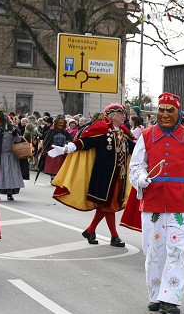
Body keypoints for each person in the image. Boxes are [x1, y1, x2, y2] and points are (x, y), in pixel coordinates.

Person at [125, 92, 184, 314]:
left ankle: (171, 298)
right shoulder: (147, 135)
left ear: (179, 113)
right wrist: (140, 178)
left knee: (176, 250)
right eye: (161, 110)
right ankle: (155, 294)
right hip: (153, 202)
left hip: (181, 203)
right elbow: (136, 165)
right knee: (153, 250)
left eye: (170, 110)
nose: (165, 114)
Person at [48, 103, 136, 247]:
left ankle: (90, 230)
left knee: (106, 205)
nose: (124, 116)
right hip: (104, 176)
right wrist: (67, 148)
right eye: (121, 114)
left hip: (119, 176)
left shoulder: (122, 133)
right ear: (113, 116)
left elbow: (134, 148)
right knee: (109, 206)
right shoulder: (102, 131)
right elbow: (85, 142)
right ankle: (114, 236)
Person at [0, 110, 26, 201]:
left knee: (10, 174)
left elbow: (19, 140)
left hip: (11, 156)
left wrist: (16, 134)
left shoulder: (12, 128)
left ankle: (10, 193)